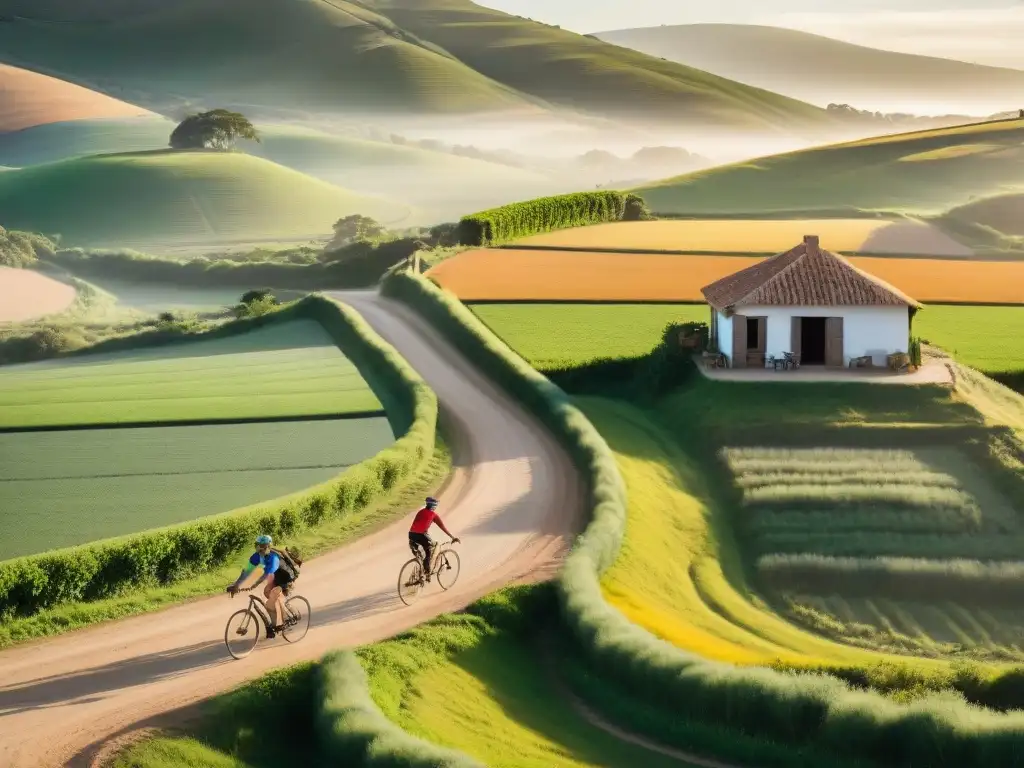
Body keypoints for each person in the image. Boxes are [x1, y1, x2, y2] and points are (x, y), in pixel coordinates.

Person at [227, 534, 295, 638]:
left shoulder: (274, 558)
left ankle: (283, 621)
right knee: (267, 594)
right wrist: (236, 585)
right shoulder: (258, 556)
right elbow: (247, 571)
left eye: (263, 546)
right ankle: (278, 612)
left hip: (286, 580)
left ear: (268, 546)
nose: (260, 548)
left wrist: (254, 585)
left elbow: (267, 574)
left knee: (273, 596)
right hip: (276, 579)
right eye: (258, 545)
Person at [408, 497, 459, 582]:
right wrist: (452, 537)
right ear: (434, 506)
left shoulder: (420, 512)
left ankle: (419, 572)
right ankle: (426, 574)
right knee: (430, 551)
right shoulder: (433, 515)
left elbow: (417, 525)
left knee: (420, 556)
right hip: (422, 536)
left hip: (411, 535)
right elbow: (442, 527)